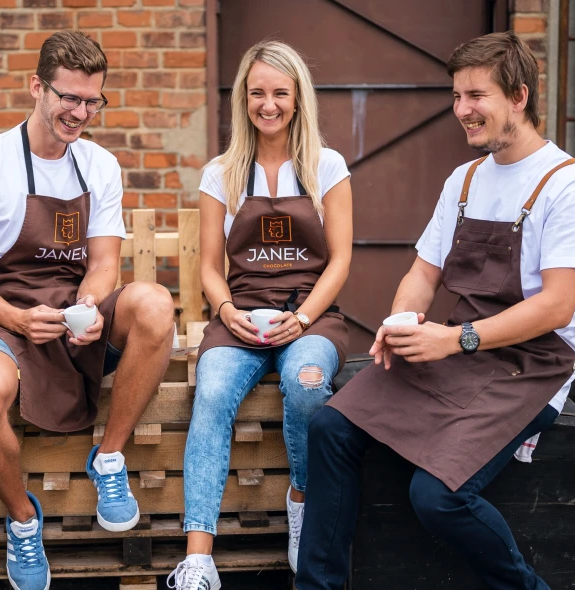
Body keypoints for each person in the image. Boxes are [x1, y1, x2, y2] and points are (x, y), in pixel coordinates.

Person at [295, 31, 575, 590]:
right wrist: (403, 322)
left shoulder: (569, 187)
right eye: (457, 95)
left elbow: (559, 307)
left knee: (436, 496)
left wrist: (455, 339)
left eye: (476, 96)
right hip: (458, 347)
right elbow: (423, 273)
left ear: (519, 96)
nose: (462, 110)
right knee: (329, 427)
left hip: (531, 366)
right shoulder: (463, 181)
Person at [0, 30, 176, 590]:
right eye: (68, 97)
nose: (79, 112)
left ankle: (109, 458)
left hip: (73, 317)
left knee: (154, 302)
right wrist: (19, 320)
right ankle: (24, 519)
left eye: (92, 100)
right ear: (36, 88)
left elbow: (103, 261)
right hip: (7, 319)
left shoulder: (99, 165)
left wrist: (90, 305)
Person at [167, 41, 352, 590]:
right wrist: (227, 310)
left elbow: (340, 259)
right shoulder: (221, 173)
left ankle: (301, 499)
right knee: (214, 391)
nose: (267, 104)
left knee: (308, 382)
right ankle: (198, 557)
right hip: (240, 316)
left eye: (279, 93)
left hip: (311, 314)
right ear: (242, 100)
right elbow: (208, 268)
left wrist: (303, 318)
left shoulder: (327, 167)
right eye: (257, 93)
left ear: (298, 99)